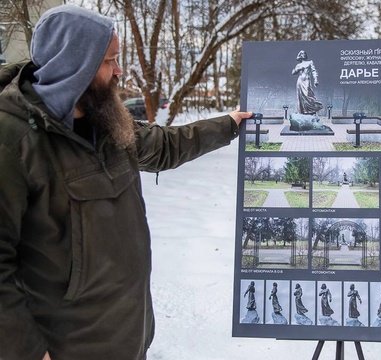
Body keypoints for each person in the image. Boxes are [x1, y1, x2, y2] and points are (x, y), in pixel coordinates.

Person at [0, 5, 252, 360]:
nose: (119, 70)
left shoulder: (107, 123)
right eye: (110, 60)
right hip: (67, 348)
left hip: (127, 338)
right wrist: (26, 351)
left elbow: (165, 146)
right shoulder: (13, 140)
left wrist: (229, 124)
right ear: (76, 64)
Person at [291, 50, 323, 115]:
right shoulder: (298, 65)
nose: (303, 54)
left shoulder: (310, 62)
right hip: (300, 81)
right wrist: (298, 69)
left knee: (307, 95)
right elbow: (293, 73)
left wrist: (316, 79)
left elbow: (314, 71)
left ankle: (312, 110)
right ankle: (303, 112)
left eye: (304, 53)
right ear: (300, 55)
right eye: (302, 53)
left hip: (307, 81)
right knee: (300, 97)